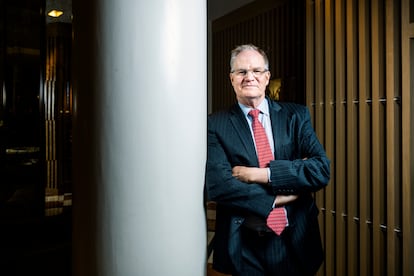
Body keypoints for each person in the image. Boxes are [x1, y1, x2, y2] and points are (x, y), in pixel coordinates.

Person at [205, 44, 330, 276]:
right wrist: (280, 197)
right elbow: (219, 186)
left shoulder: (296, 115)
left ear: (267, 77)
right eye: (241, 72)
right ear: (232, 79)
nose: (249, 77)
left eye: (256, 71)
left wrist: (260, 174)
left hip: (296, 239)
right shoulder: (216, 124)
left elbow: (320, 169)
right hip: (245, 244)